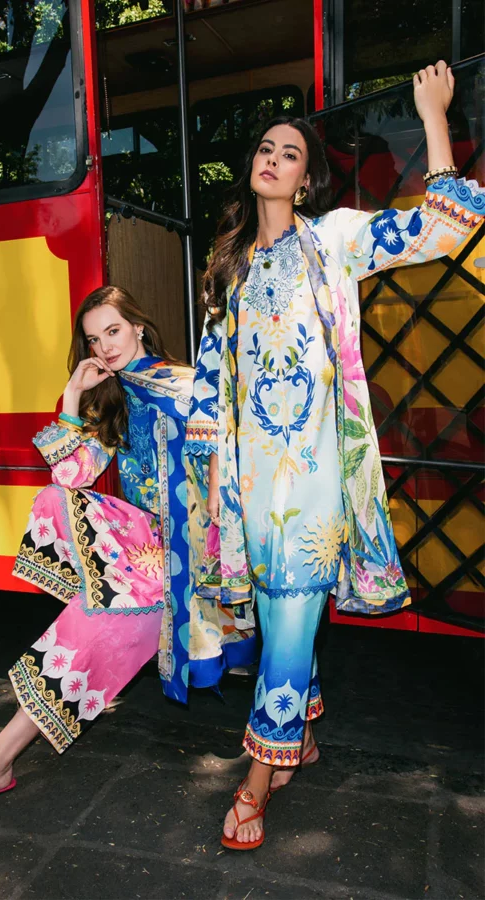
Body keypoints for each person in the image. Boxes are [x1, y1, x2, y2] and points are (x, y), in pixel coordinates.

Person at [185, 60, 484, 850]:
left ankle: (255, 783)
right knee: (278, 614)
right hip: (251, 483)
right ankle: (304, 736)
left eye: (290, 153)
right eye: (266, 148)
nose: (273, 158)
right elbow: (214, 384)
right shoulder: (228, 267)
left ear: (307, 179)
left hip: (315, 482)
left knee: (288, 619)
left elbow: (446, 226)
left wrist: (433, 115)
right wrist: (213, 483)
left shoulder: (336, 237)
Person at [0, 285, 255, 814]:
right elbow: (70, 476)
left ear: (138, 327)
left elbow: (232, 448)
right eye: (94, 340)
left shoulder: (186, 385)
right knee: (57, 510)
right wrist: (73, 396)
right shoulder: (117, 399)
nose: (106, 347)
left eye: (113, 331)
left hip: (194, 553)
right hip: (145, 553)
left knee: (93, 622)